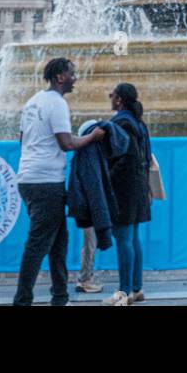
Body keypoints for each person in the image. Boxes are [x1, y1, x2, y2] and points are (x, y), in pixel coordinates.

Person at [12, 57, 105, 308]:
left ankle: (60, 297)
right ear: (60, 77)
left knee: (58, 243)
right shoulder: (57, 104)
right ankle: (22, 301)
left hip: (28, 179)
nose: (75, 78)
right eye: (72, 74)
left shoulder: (33, 102)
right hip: (46, 183)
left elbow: (23, 139)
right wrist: (92, 137)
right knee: (37, 245)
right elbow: (67, 143)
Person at [103, 82, 152, 307]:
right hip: (139, 186)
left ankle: (124, 293)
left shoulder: (120, 122)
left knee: (123, 239)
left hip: (123, 188)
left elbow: (123, 159)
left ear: (119, 99)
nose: (110, 97)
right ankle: (136, 288)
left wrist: (106, 178)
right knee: (132, 238)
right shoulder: (139, 124)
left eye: (112, 94)